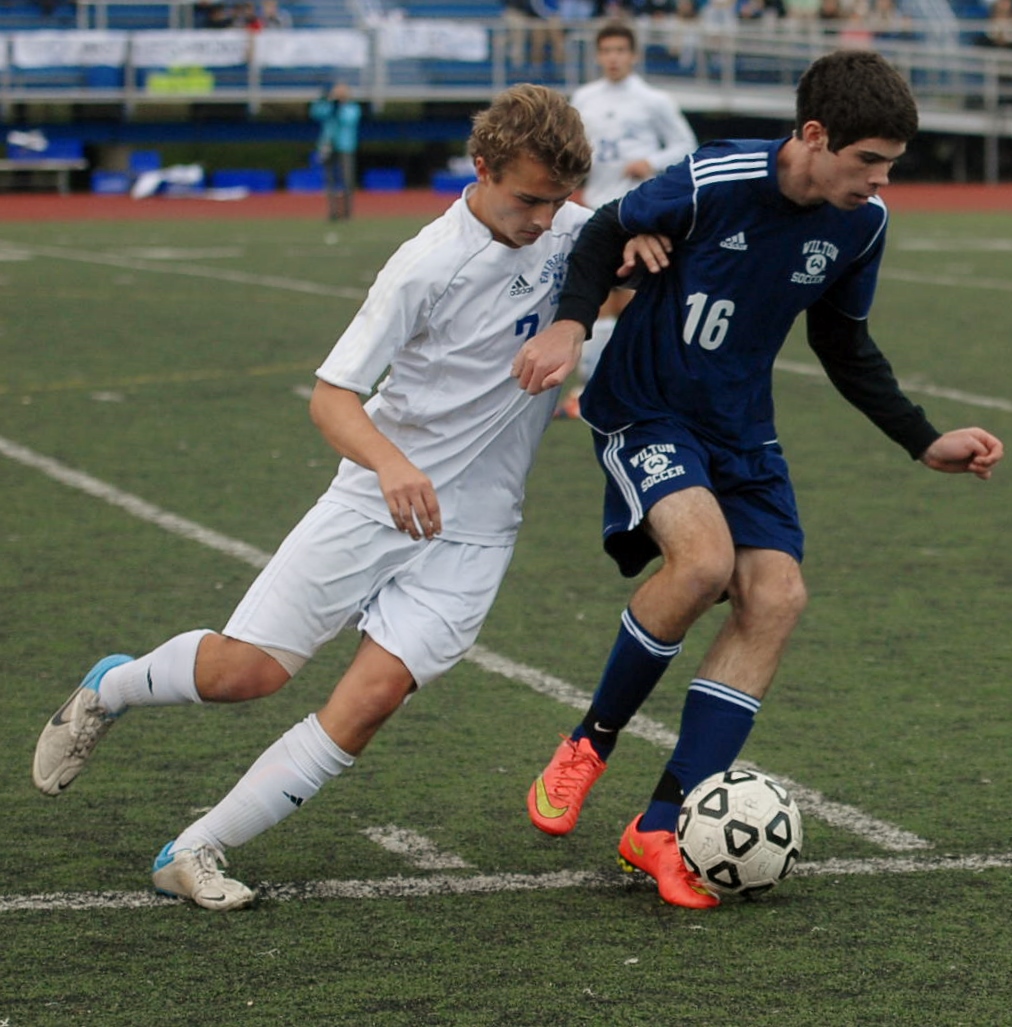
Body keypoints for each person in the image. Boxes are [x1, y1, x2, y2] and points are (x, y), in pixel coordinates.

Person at [31, 84, 603, 912]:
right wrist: (393, 465)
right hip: (377, 500)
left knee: (367, 702)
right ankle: (111, 686)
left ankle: (192, 849)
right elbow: (332, 397)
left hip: (477, 531)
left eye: (560, 200)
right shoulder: (425, 265)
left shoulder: (577, 230)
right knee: (247, 673)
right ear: (481, 168)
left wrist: (580, 321)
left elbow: (623, 264)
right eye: (529, 200)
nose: (546, 219)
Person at [512, 50, 1005, 909]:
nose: (882, 181)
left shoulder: (863, 224)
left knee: (776, 596)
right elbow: (601, 232)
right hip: (647, 408)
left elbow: (843, 345)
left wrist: (923, 441)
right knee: (700, 563)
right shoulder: (714, 178)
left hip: (741, 432)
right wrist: (569, 327)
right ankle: (589, 741)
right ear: (814, 137)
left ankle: (660, 827)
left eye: (892, 164)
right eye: (868, 162)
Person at [559, 21, 697, 418]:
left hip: (641, 212)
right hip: (595, 209)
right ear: (598, 56)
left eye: (621, 50)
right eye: (607, 51)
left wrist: (650, 161)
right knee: (598, 299)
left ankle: (638, 385)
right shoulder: (584, 98)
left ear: (633, 55)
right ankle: (590, 387)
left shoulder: (653, 100)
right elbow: (571, 146)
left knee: (636, 300)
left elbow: (686, 146)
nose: (613, 58)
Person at [310, 83, 361, 221]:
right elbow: (316, 113)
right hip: (329, 145)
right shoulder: (329, 106)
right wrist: (325, 101)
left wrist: (340, 106)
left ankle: (347, 212)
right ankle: (332, 211)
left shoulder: (352, 107)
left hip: (346, 146)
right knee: (329, 180)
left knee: (347, 179)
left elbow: (348, 120)